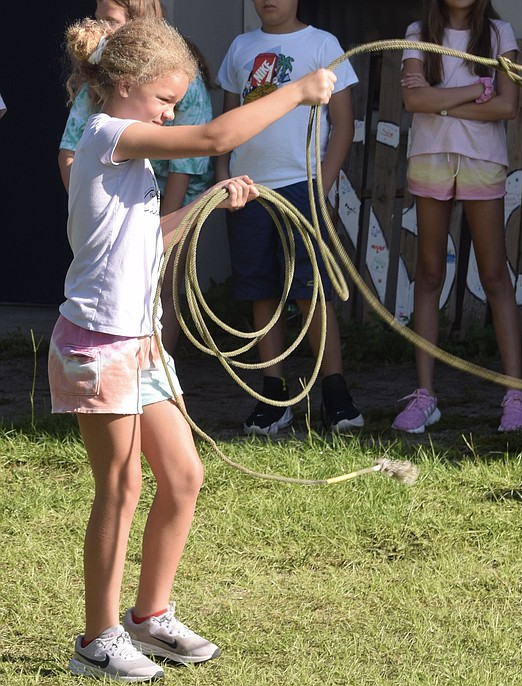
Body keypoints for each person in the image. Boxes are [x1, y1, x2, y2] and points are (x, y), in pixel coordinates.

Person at [50, 16, 335, 682]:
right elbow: (212, 138)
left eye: (176, 104)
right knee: (120, 487)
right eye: (165, 100)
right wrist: (298, 91)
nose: (171, 114)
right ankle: (97, 639)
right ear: (124, 84)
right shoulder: (107, 134)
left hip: (141, 341)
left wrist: (210, 202)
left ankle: (149, 617)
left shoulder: (132, 156)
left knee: (183, 476)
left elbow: (144, 237)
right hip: (100, 342)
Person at [216, 0, 362, 435]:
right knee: (260, 288)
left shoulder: (322, 44)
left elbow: (344, 124)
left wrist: (321, 186)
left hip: (302, 185)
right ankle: (273, 395)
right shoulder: (239, 47)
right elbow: (226, 122)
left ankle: (334, 393)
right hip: (248, 187)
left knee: (310, 290)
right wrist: (224, 175)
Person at [392, 0, 522, 434]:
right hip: (430, 157)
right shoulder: (418, 33)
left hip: (483, 158)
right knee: (429, 272)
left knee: (494, 273)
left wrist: (440, 104)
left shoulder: (499, 34)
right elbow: (413, 99)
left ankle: (516, 394)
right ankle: (425, 395)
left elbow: (506, 106)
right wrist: (475, 91)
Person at [58, 0, 214, 355]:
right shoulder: (105, 113)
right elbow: (69, 150)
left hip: (162, 200)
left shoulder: (175, 79)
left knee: (162, 287)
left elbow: (186, 164)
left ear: (137, 24)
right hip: (104, 340)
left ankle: (157, 358)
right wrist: (95, 210)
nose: (102, 27)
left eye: (110, 20)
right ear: (125, 86)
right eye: (98, 18)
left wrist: (178, 211)